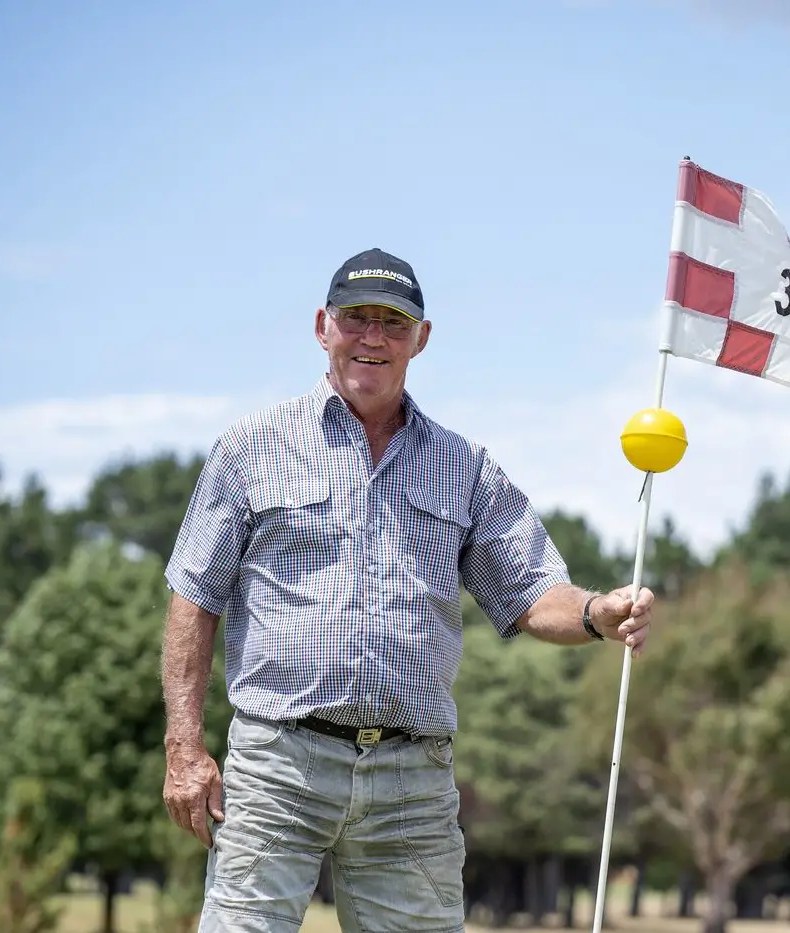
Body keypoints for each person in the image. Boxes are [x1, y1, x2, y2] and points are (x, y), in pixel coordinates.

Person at [159, 246, 656, 933]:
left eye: (393, 323)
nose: (373, 336)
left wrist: (599, 612)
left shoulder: (466, 467)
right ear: (321, 326)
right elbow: (195, 596)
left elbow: (533, 591)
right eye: (355, 318)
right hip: (278, 766)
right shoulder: (251, 448)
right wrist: (183, 746)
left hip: (412, 780)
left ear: (421, 339)